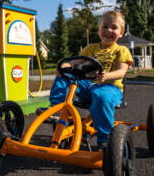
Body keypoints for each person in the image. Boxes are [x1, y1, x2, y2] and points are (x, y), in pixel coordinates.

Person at [49, 10, 133, 149]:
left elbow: (121, 72)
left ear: (121, 33)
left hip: (111, 87)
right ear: (99, 29)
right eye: (105, 27)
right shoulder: (91, 48)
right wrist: (64, 66)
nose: (108, 30)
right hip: (89, 85)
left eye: (114, 27)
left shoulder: (121, 50)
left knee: (100, 95)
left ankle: (104, 138)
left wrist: (107, 75)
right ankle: (56, 108)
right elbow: (75, 61)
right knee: (64, 76)